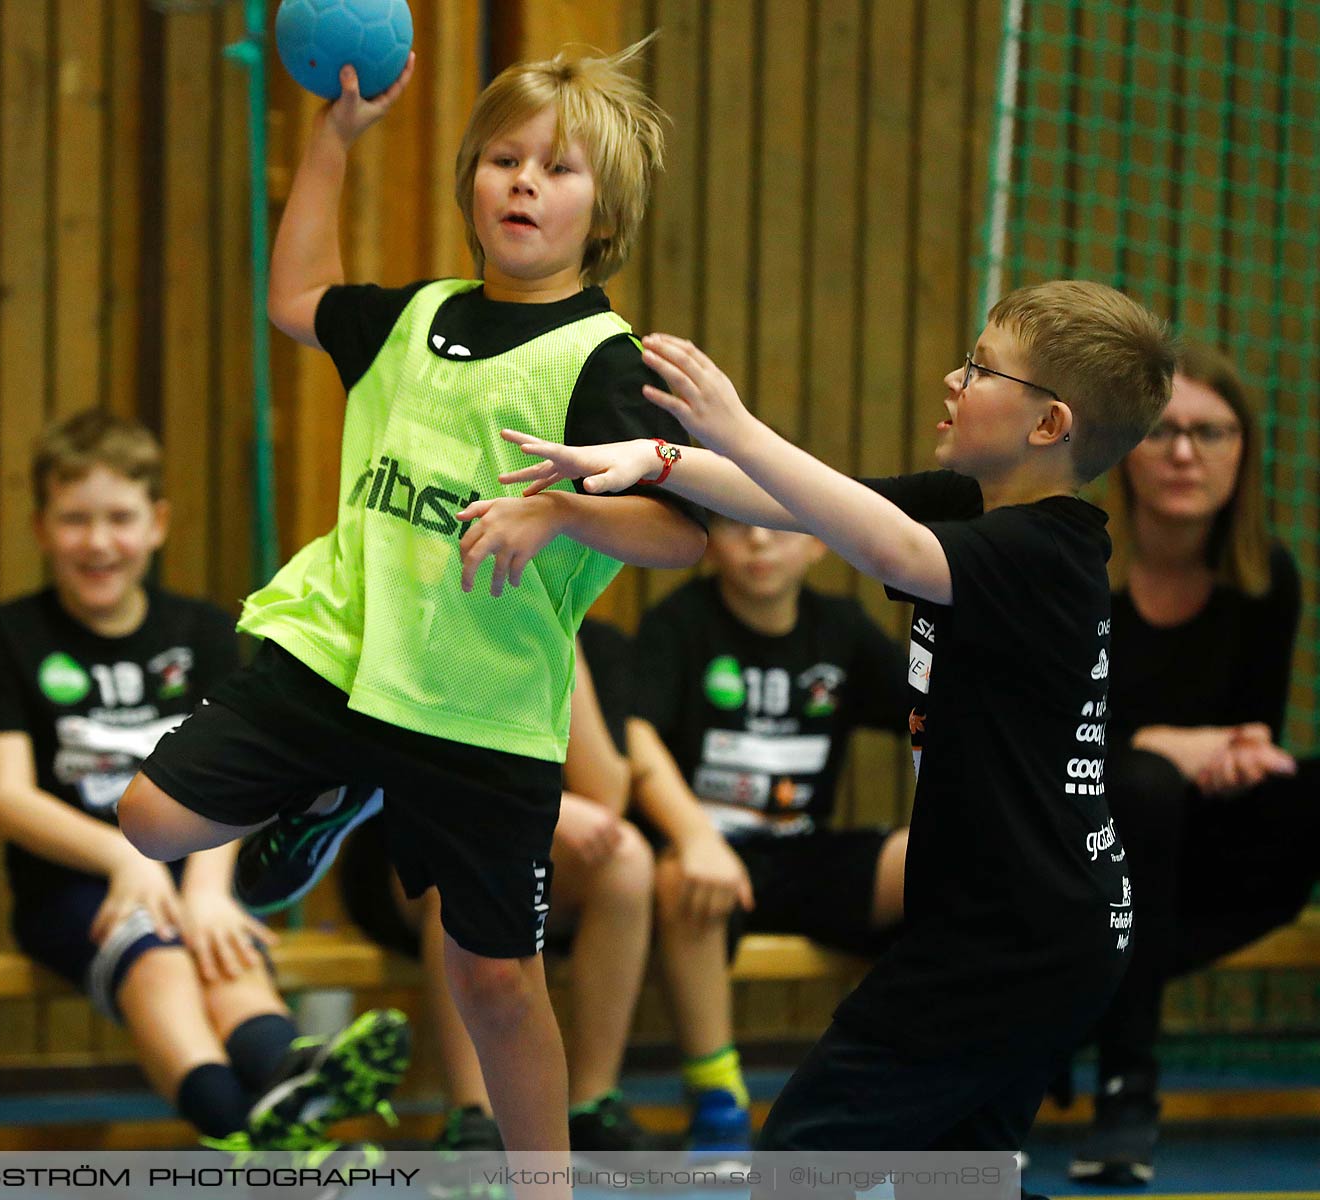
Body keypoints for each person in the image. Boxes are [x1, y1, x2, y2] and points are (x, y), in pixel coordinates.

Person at [113, 38, 708, 1186]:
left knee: (496, 980)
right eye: (502, 158)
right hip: (341, 653)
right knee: (150, 820)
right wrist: (332, 141)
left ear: (607, 211)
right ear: (471, 185)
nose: (524, 181)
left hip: (481, 708)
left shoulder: (606, 361)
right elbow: (294, 296)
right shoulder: (411, 316)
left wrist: (564, 517)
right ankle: (339, 785)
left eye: (558, 169)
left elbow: (684, 533)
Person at [499, 279, 1175, 1194]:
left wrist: (734, 424)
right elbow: (799, 501)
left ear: (1048, 424)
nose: (951, 377)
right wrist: (657, 458)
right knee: (959, 1181)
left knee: (799, 1165)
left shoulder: (1049, 554)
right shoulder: (970, 502)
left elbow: (890, 551)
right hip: (1026, 926)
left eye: (978, 368)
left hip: (1015, 939)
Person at [0, 409, 407, 1154]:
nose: (98, 541)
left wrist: (206, 889)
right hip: (74, 884)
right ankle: (252, 1127)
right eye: (75, 520)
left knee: (221, 945)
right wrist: (123, 860)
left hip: (198, 864)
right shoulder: (8, 636)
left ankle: (288, 1077)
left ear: (157, 522)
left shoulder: (198, 631)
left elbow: (238, 780)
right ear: (41, 528)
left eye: (119, 518)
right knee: (159, 957)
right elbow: (3, 794)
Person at [1069, 341, 1313, 1185]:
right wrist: (1154, 744)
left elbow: (1252, 734)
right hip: (1086, 843)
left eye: (1210, 433)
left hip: (1208, 849)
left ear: (1242, 452)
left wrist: (1241, 755)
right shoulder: (1078, 569)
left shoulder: (1266, 578)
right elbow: (1046, 743)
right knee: (1143, 784)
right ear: (1122, 448)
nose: (1183, 453)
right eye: (1163, 431)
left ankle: (1087, 990)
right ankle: (1125, 1089)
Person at [628, 515, 911, 1155]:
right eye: (733, 523)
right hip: (708, 858)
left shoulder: (840, 627)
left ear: (817, 539)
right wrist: (696, 837)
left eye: (778, 524)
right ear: (706, 538)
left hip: (805, 853)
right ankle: (717, 1096)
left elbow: (928, 712)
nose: (757, 541)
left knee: (934, 864)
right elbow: (635, 733)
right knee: (678, 878)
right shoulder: (680, 622)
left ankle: (915, 1078)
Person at [337, 631, 672, 1164]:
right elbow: (415, 771)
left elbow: (606, 797)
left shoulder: (597, 645)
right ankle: (474, 1117)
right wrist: (552, 807)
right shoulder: (428, 621)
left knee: (627, 859)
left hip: (533, 850)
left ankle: (590, 1102)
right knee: (464, 859)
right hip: (409, 854)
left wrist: (563, 640)